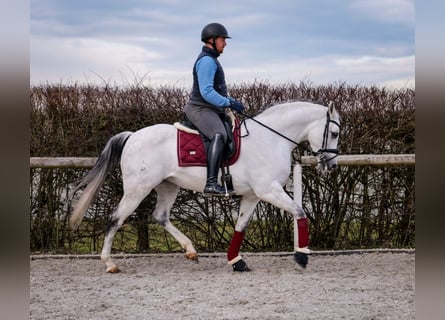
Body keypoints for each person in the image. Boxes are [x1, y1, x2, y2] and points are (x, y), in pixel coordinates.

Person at [184, 22, 245, 196]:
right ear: (212, 40)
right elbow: (207, 91)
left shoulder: (211, 60)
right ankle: (211, 184)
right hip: (199, 109)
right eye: (223, 39)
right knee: (219, 133)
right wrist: (229, 103)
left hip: (209, 109)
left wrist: (231, 101)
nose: (225, 43)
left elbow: (215, 91)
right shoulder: (206, 61)